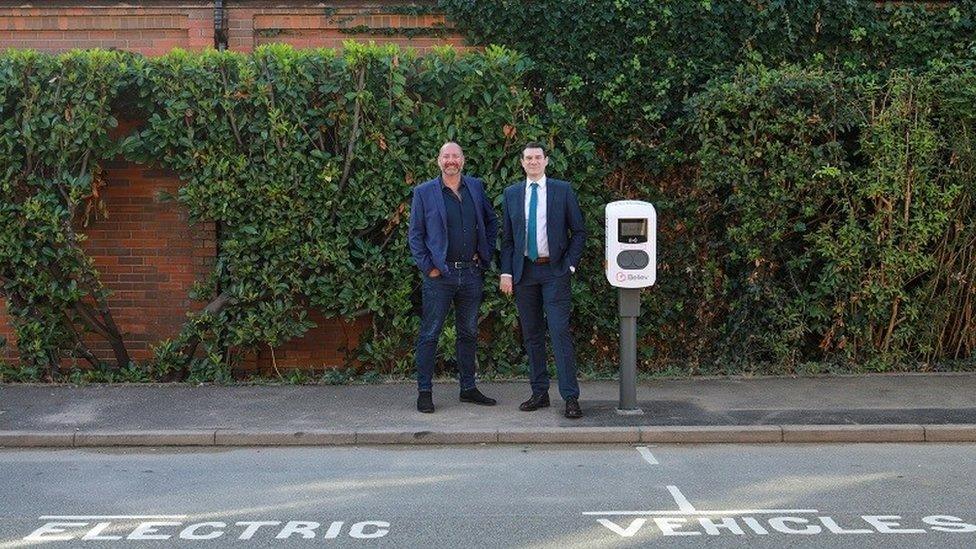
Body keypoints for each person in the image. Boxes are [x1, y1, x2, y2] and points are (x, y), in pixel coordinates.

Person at [407, 142, 498, 413]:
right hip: (440, 276)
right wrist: (429, 268)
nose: (451, 160)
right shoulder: (424, 193)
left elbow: (491, 222)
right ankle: (425, 392)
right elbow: (415, 235)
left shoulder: (476, 187)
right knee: (430, 334)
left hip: (471, 273)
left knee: (468, 333)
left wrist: (485, 253)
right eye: (446, 156)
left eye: (455, 156)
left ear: (463, 160)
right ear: (438, 161)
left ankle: (468, 388)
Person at [499, 142, 586, 419]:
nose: (533, 162)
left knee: (559, 333)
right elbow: (509, 239)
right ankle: (540, 393)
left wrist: (570, 265)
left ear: (546, 161)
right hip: (525, 273)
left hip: (555, 271)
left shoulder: (562, 190)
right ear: (522, 162)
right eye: (528, 158)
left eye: (538, 157)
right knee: (532, 335)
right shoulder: (511, 194)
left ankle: (570, 397)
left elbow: (579, 231)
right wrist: (506, 272)